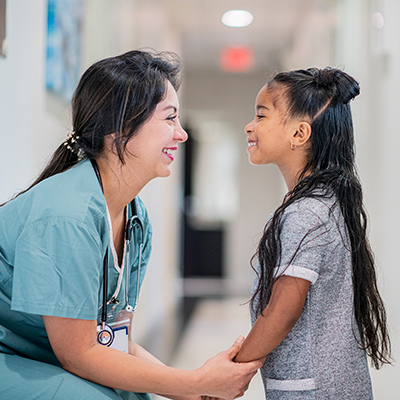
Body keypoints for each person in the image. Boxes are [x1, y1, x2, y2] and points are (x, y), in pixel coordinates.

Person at [0, 50, 262, 400]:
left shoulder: (135, 220)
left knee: (135, 395)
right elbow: (78, 354)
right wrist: (195, 385)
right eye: (170, 119)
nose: (182, 135)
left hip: (41, 354)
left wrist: (195, 387)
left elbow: (115, 339)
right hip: (13, 355)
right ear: (122, 129)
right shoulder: (67, 216)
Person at [234, 67, 392, 399]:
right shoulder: (323, 202)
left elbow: (283, 309)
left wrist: (235, 368)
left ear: (300, 133)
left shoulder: (305, 212)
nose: (249, 126)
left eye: (261, 116)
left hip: (314, 390)